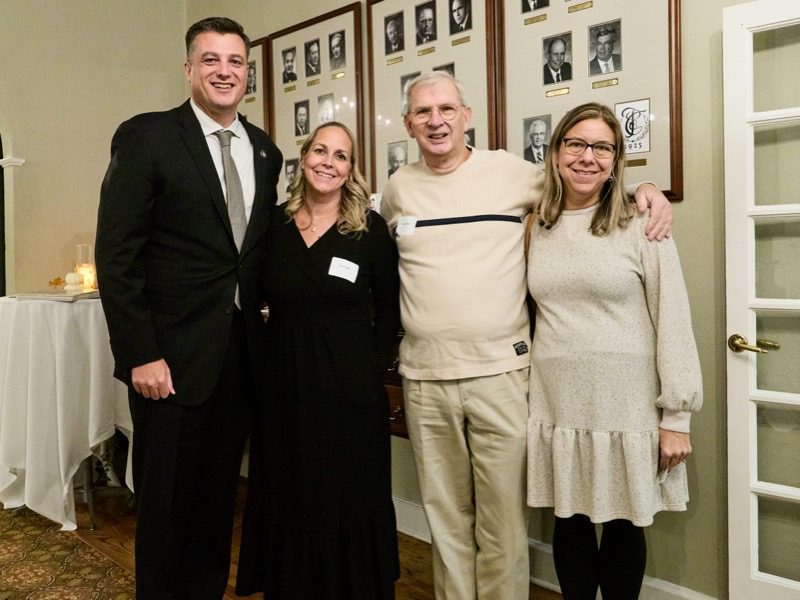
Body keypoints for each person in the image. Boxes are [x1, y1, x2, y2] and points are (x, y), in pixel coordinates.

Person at [379, 71, 673, 600]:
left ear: (467, 117)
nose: (436, 121)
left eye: (446, 109)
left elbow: (581, 181)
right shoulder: (399, 189)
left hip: (503, 374)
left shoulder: (510, 172)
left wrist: (643, 190)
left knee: (503, 523)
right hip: (425, 375)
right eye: (423, 112)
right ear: (408, 123)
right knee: (444, 517)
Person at [95, 16, 282, 599]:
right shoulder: (148, 136)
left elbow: (253, 252)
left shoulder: (265, 150)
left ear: (248, 73)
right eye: (211, 60)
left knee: (217, 501)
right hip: (168, 362)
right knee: (166, 505)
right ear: (188, 69)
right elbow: (117, 255)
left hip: (238, 358)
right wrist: (141, 353)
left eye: (235, 61)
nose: (225, 71)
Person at [525, 102, 702, 600]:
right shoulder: (537, 224)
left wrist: (677, 417)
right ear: (556, 152)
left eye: (602, 147)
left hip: (626, 405)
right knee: (570, 522)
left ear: (616, 158)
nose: (588, 156)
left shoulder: (641, 222)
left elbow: (673, 317)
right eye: (576, 144)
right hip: (558, 402)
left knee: (625, 525)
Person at [236, 121, 401, 599]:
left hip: (350, 390)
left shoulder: (368, 230)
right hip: (283, 388)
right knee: (289, 489)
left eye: (341, 156)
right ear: (304, 157)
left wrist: (369, 368)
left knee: (346, 493)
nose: (329, 162)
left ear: (351, 169)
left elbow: (389, 309)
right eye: (320, 151)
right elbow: (249, 294)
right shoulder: (272, 225)